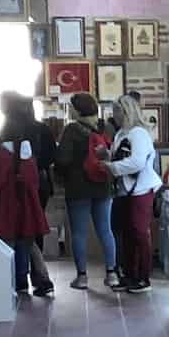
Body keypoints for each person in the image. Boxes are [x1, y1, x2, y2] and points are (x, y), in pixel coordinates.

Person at [0, 92, 53, 301]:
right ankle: (41, 279)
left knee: (9, 241)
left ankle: (14, 280)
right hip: (31, 198)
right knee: (29, 240)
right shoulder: (36, 137)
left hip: (8, 203)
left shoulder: (2, 155)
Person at [55, 91, 118, 289]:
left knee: (79, 233)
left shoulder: (71, 130)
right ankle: (112, 273)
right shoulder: (106, 127)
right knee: (105, 230)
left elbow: (62, 160)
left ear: (76, 110)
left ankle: (82, 277)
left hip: (78, 187)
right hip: (103, 185)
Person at [109, 96, 162, 294]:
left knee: (139, 233)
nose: (114, 116)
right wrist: (107, 156)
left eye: (118, 112)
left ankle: (142, 278)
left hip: (139, 190)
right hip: (124, 191)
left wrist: (111, 167)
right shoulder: (122, 133)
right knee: (126, 234)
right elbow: (122, 156)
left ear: (127, 112)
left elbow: (137, 162)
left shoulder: (139, 134)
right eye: (114, 112)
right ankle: (129, 274)